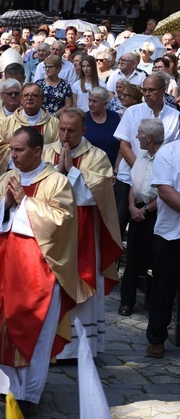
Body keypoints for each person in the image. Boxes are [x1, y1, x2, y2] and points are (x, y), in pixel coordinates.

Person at [0, 126, 77, 415]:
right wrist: (5, 203)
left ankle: (30, 395)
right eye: (11, 149)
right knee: (2, 325)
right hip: (4, 266)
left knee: (37, 332)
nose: (12, 155)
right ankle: (8, 391)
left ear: (37, 151)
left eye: (18, 150)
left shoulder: (56, 182)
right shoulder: (7, 178)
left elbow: (62, 221)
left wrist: (25, 202)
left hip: (40, 270)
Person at [42, 108, 122, 359]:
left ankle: (80, 349)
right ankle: (51, 345)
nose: (65, 136)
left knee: (84, 284)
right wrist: (58, 172)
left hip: (84, 235)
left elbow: (96, 194)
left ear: (84, 131)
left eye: (71, 130)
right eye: (62, 129)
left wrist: (70, 172)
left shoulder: (97, 156)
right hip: (52, 235)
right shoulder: (45, 152)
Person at [113, 75, 180, 240]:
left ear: (164, 90)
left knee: (150, 233)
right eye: (144, 90)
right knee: (117, 227)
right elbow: (124, 145)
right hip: (128, 179)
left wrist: (153, 174)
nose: (147, 94)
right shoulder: (132, 112)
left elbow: (174, 152)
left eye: (151, 90)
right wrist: (142, 170)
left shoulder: (175, 117)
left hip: (159, 185)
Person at [119, 118, 162, 317]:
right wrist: (131, 207)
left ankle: (153, 302)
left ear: (149, 137)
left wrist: (145, 210)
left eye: (139, 134)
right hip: (136, 210)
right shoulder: (142, 156)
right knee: (132, 258)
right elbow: (132, 185)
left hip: (154, 214)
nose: (136, 137)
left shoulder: (165, 159)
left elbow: (164, 192)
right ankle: (127, 301)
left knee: (154, 260)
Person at [146, 120, 180, 358]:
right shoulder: (168, 152)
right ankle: (157, 339)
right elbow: (166, 192)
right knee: (163, 289)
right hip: (171, 233)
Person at [0, 83, 59, 182]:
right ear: (21, 99)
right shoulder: (7, 122)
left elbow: (59, 150)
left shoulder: (54, 124)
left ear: (42, 99)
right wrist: (20, 153)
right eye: (26, 95)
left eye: (34, 95)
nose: (29, 98)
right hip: (15, 174)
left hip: (44, 176)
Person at [85, 86, 121, 167]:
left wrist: (117, 168)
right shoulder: (83, 119)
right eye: (89, 100)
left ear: (105, 103)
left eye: (95, 101)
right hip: (89, 168)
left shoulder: (115, 117)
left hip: (112, 167)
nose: (91, 104)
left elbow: (121, 145)